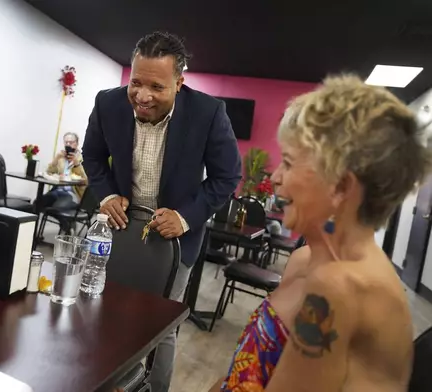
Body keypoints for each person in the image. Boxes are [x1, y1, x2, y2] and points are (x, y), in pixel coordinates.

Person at [213, 75, 432, 392]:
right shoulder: (304, 260)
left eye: (287, 163)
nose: (274, 177)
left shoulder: (341, 286)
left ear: (341, 187)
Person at [83, 31, 242, 392]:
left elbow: (228, 175)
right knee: (99, 309)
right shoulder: (108, 103)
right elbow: (92, 156)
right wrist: (106, 195)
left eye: (156, 87)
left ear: (179, 83)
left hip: (173, 240)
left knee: (159, 326)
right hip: (120, 228)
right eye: (136, 82)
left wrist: (185, 216)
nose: (142, 96)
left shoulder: (208, 113)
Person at [41, 132, 87, 232]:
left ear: (77, 143)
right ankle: (68, 224)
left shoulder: (82, 159)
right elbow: (48, 172)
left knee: (57, 208)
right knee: (38, 204)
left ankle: (67, 227)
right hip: (58, 190)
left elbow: (86, 180)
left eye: (71, 142)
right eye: (66, 142)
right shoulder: (61, 158)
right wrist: (56, 158)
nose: (68, 145)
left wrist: (76, 164)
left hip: (73, 193)